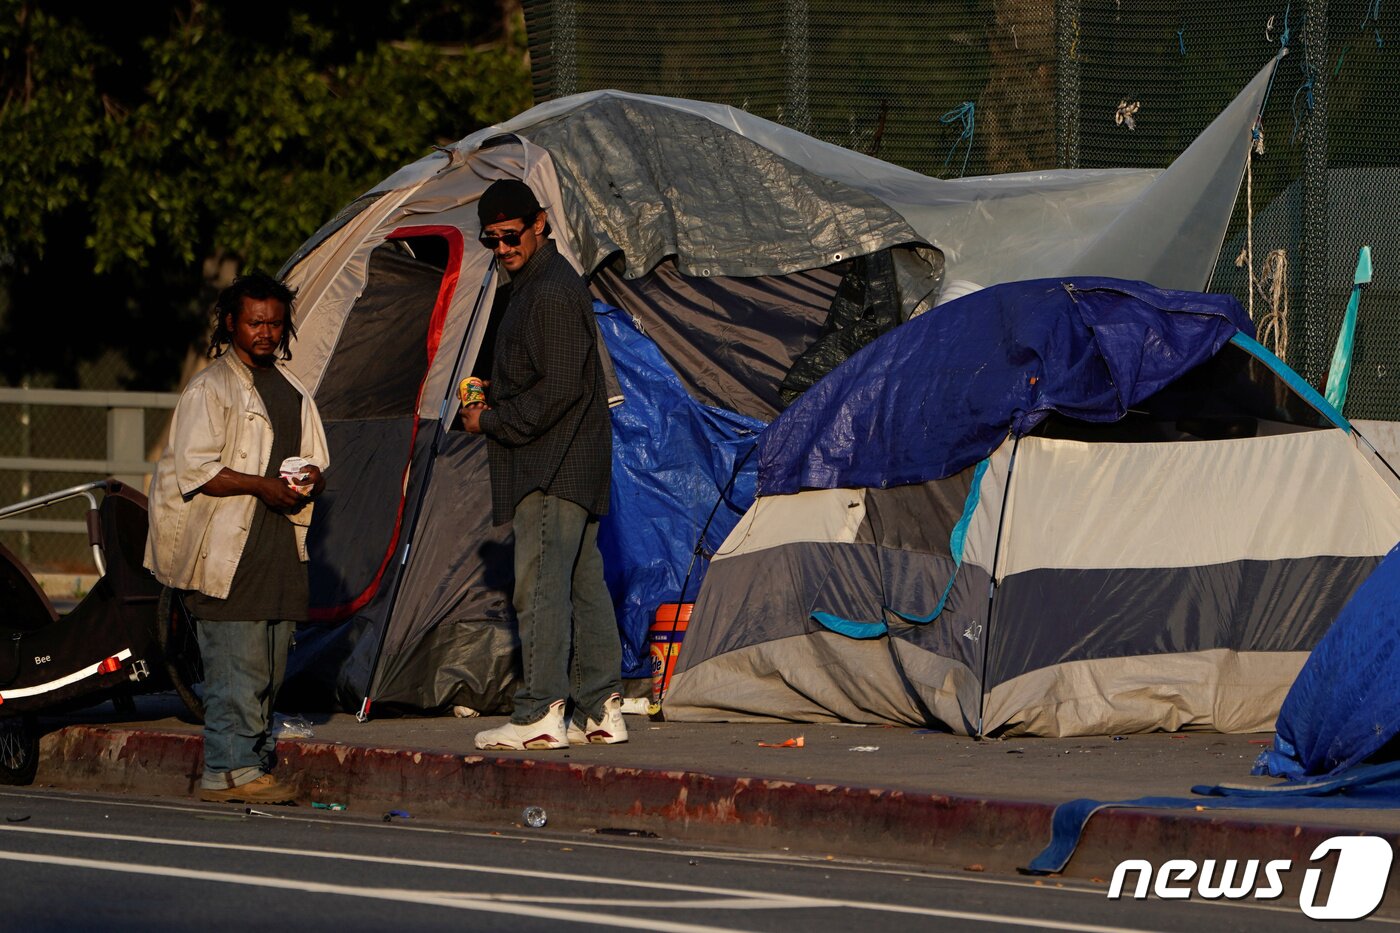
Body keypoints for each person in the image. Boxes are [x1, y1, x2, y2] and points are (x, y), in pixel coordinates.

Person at [145, 272, 330, 803]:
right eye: (255, 322)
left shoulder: (293, 389)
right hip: (226, 554)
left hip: (279, 548)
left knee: (270, 666)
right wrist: (264, 487)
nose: (266, 332)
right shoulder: (211, 388)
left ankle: (251, 763)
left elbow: (316, 457)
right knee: (236, 667)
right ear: (231, 323)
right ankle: (227, 771)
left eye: (275, 323)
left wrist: (309, 479)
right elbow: (197, 469)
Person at [461, 178, 626, 750]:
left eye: (511, 235)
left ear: (540, 225)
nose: (503, 248)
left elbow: (557, 389)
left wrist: (492, 421)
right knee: (584, 584)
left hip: (552, 463)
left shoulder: (552, 290)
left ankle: (538, 714)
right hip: (566, 460)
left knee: (540, 589)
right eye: (491, 240)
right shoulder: (531, 286)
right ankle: (603, 709)